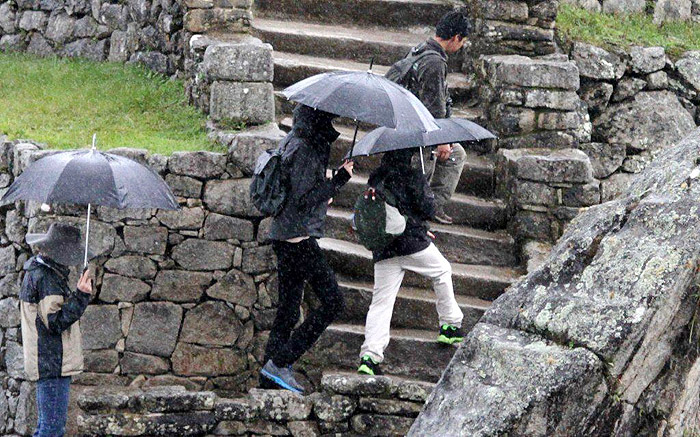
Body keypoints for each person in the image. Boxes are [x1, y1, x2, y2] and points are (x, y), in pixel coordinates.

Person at [261, 104, 354, 393]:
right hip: (296, 238)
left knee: (288, 310)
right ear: (320, 121)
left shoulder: (293, 140)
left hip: (284, 233)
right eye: (330, 119)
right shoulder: (306, 149)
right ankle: (280, 362)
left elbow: (296, 192)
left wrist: (325, 189)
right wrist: (338, 180)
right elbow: (303, 199)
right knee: (333, 302)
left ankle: (269, 375)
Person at [357, 148, 464, 376]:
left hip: (384, 247)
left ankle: (370, 356)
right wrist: (426, 192)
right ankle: (450, 324)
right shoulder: (412, 175)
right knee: (442, 271)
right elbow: (428, 209)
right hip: (411, 243)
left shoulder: (376, 177)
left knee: (381, 302)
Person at [19, 223, 94, 437]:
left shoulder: (41, 272)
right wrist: (80, 296)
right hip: (52, 360)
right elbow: (55, 323)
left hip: (48, 360)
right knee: (52, 430)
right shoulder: (47, 278)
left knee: (46, 427)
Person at [407, 10, 472, 224]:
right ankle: (424, 211)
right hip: (421, 130)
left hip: (412, 121)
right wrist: (442, 140)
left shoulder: (419, 50)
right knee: (447, 157)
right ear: (456, 38)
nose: (461, 46)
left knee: (457, 154)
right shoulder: (434, 62)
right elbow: (434, 105)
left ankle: (430, 205)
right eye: (462, 41)